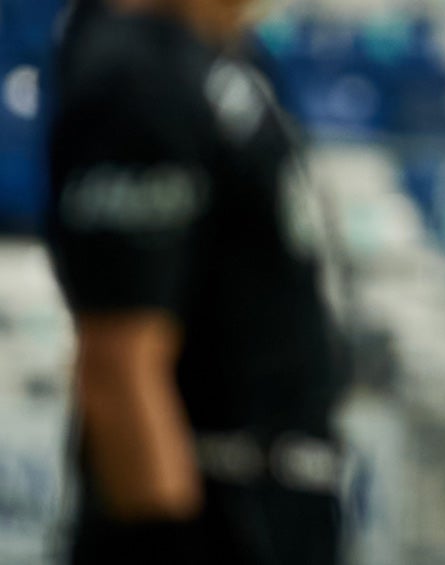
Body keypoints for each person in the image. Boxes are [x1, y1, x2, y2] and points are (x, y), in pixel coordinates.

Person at [46, 0, 346, 563]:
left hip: (273, 511)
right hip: (216, 518)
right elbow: (119, 365)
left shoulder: (219, 65)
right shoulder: (136, 76)